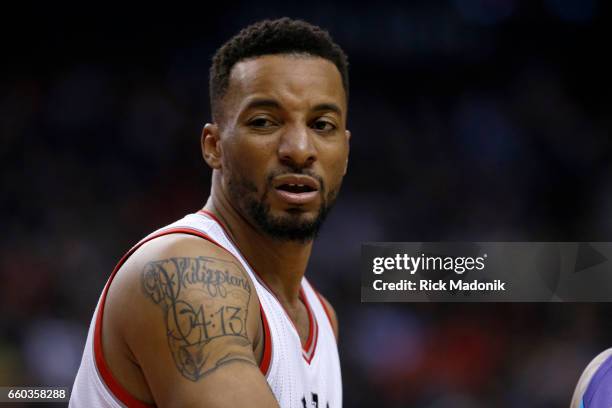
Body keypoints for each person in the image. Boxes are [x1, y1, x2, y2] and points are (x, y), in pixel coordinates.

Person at [70, 18, 350, 408]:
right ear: (213, 146)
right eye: (264, 122)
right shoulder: (185, 274)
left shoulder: (321, 316)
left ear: (346, 151)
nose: (300, 149)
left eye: (322, 124)